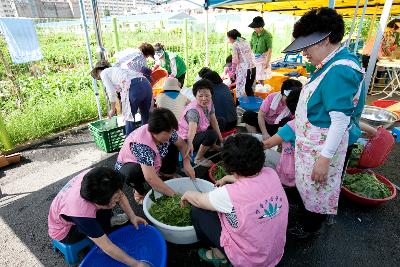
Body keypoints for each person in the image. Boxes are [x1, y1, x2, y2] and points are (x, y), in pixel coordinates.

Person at [282, 7, 366, 236]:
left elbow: (339, 121)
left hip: (322, 148)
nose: (304, 53)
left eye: (307, 46)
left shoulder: (340, 70)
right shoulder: (332, 61)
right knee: (312, 188)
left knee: (318, 189)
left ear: (325, 40)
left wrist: (324, 159)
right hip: (313, 144)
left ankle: (311, 228)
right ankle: (310, 216)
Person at [180, 134, 288, 267]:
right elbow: (252, 181)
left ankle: (219, 255)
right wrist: (228, 178)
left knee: (198, 211)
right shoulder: (271, 174)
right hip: (274, 252)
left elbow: (199, 200)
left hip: (249, 261)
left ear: (230, 167)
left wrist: (187, 194)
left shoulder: (229, 194)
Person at [48, 167, 149, 267]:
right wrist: (136, 264)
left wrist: (132, 216)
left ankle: (106, 223)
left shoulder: (99, 177)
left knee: (109, 202)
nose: (118, 198)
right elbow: (107, 247)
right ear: (96, 203)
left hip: (76, 211)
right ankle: (101, 231)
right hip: (65, 232)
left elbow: (119, 194)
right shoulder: (82, 214)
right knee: (103, 236)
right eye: (113, 200)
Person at [115, 108, 195, 204]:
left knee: (174, 144)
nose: (171, 135)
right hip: (131, 164)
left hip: (155, 158)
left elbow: (182, 145)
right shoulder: (142, 145)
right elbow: (150, 178)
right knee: (133, 173)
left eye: (171, 131)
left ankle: (166, 175)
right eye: (167, 133)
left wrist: (187, 164)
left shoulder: (166, 129)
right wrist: (176, 196)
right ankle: (139, 192)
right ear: (154, 132)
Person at [91, 60, 152, 136]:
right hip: (146, 84)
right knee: (145, 116)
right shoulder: (117, 70)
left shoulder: (103, 73)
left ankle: (129, 144)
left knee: (129, 117)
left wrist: (113, 109)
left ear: (97, 72)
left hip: (133, 86)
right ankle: (147, 140)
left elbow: (111, 92)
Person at [177, 79, 223, 167]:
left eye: (207, 95)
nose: (204, 98)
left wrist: (221, 140)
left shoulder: (210, 103)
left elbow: (213, 120)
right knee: (212, 134)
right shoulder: (193, 111)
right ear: (195, 96)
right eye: (200, 96)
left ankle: (211, 145)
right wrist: (189, 146)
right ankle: (198, 158)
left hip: (200, 130)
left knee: (221, 121)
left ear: (211, 95)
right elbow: (191, 131)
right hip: (187, 138)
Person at [263, 89, 301, 187]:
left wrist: (244, 150)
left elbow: (267, 144)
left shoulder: (292, 125)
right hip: (305, 170)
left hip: (291, 172)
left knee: (265, 153)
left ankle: (277, 183)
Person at [227, 29, 256, 97]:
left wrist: (233, 72)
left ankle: (241, 105)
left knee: (241, 89)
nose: (229, 40)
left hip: (244, 70)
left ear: (231, 38)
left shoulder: (235, 44)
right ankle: (251, 105)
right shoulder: (245, 41)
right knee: (249, 88)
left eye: (229, 38)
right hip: (253, 67)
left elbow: (235, 60)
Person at [249, 16, 273, 83]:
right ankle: (256, 88)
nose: (254, 29)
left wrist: (267, 62)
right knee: (253, 75)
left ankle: (261, 89)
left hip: (263, 58)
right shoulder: (254, 34)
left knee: (261, 77)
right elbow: (251, 44)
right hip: (254, 57)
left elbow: (270, 50)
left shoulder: (267, 35)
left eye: (255, 27)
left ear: (260, 27)